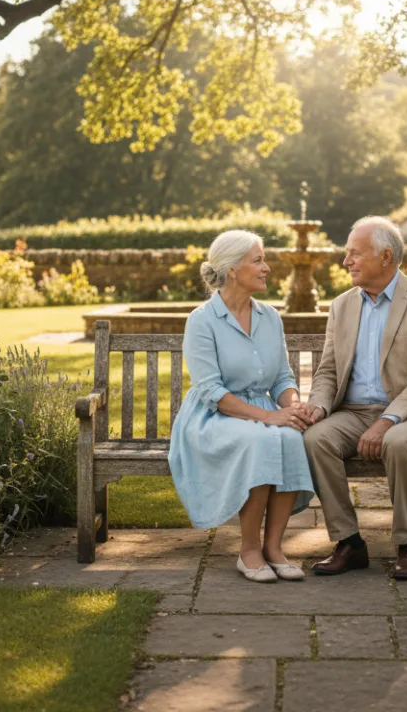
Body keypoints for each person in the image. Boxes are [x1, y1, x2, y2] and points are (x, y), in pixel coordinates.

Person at [303, 216, 407, 581]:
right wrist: (319, 406)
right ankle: (349, 543)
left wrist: (387, 420)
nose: (346, 261)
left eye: (354, 253)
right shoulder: (341, 306)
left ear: (386, 256)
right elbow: (328, 372)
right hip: (351, 412)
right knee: (315, 438)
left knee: (398, 442)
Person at [168, 230, 317, 583]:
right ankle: (248, 550)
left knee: (292, 438)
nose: (266, 268)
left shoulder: (270, 317)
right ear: (233, 269)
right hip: (213, 417)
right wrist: (269, 416)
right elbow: (211, 392)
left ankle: (274, 548)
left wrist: (293, 406)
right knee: (264, 439)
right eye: (258, 260)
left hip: (260, 413)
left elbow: (282, 376)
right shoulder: (202, 320)